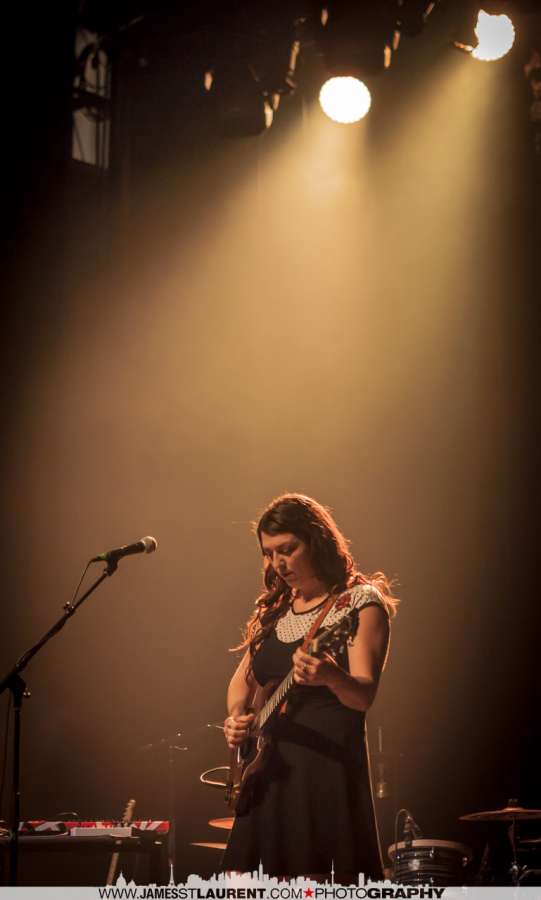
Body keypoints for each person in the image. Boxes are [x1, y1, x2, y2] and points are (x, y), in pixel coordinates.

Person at [221, 493, 398, 883]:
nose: (278, 563)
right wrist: (236, 719)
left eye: (288, 549)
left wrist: (332, 676)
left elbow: (363, 695)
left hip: (323, 774)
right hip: (268, 773)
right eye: (269, 554)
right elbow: (241, 682)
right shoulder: (276, 610)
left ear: (317, 541)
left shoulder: (357, 603)